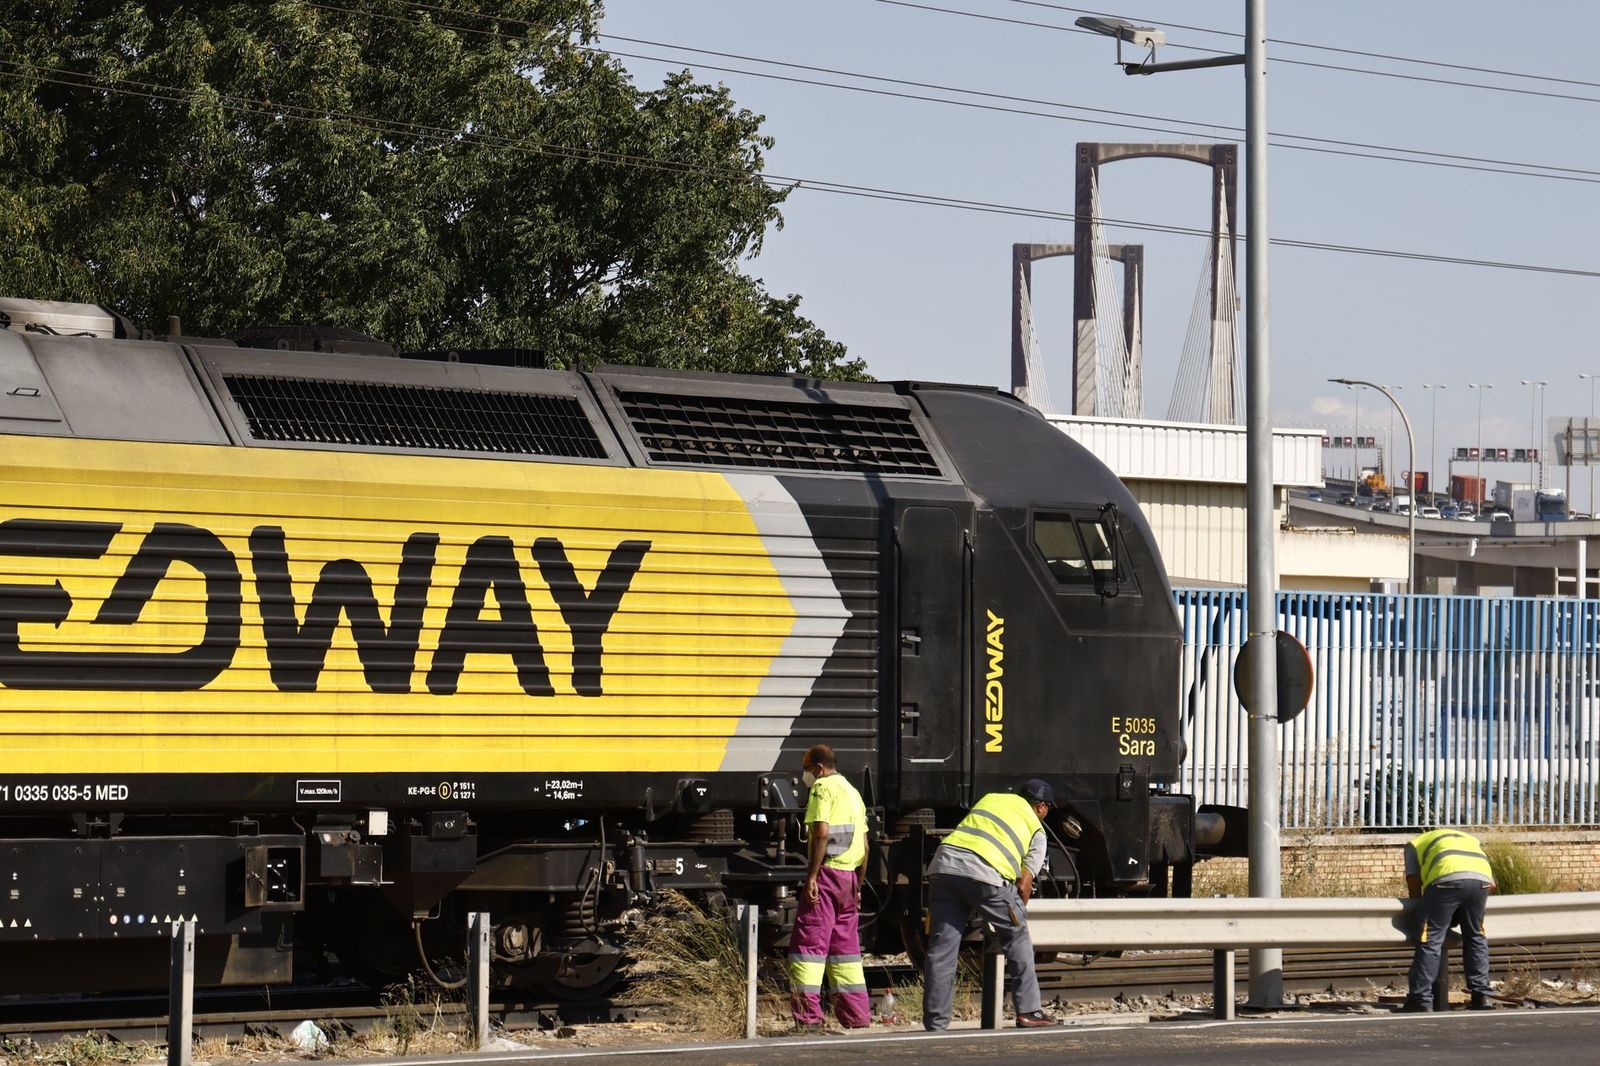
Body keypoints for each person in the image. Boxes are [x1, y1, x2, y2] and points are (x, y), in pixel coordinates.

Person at [923, 779, 1064, 1030]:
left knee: (942, 950)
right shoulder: (1037, 830)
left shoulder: (990, 799)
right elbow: (1023, 885)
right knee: (1018, 936)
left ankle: (936, 1023)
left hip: (944, 868)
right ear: (1041, 807)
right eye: (1047, 810)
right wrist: (1012, 914)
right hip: (986, 875)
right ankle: (1030, 1011)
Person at [788, 743, 872, 1030]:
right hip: (849, 879)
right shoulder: (853, 793)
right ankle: (857, 1017)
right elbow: (865, 846)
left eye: (807, 770)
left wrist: (812, 876)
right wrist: (858, 886)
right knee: (845, 951)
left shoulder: (823, 788)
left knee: (809, 946)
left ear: (819, 769)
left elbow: (822, 832)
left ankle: (809, 1019)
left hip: (827, 876)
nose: (806, 777)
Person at [1403, 826, 1497, 1012]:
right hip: (1481, 883)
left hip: (1444, 881)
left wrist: (1421, 909)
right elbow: (1492, 884)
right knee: (1476, 935)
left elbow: (1414, 882)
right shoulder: (1470, 840)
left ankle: (1420, 999)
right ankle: (1482, 996)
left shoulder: (1414, 844)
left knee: (1430, 939)